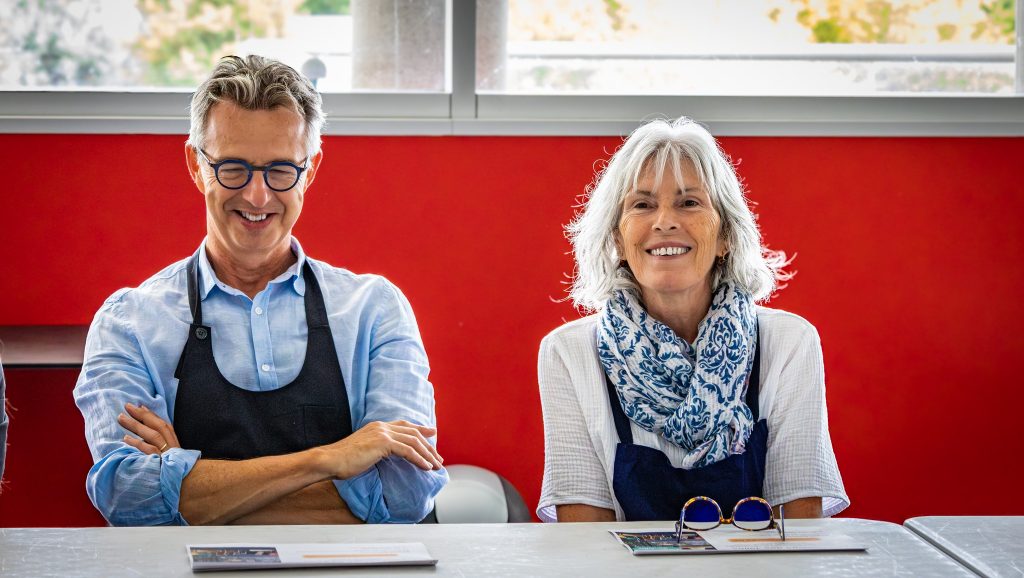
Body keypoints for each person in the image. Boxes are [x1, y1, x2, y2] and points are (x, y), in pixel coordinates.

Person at [74, 55, 446, 526]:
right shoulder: (129, 321)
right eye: (233, 168)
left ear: (310, 171)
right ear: (196, 164)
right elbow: (128, 497)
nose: (257, 196)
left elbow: (405, 493)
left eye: (280, 170)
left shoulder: (375, 310)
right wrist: (330, 460)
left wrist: (189, 486)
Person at [537, 117, 848, 522]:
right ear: (617, 239)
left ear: (726, 237)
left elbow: (800, 522)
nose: (664, 221)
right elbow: (583, 534)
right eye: (642, 205)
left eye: (689, 202)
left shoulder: (788, 341)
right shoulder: (569, 352)